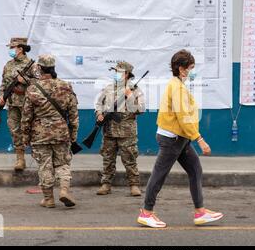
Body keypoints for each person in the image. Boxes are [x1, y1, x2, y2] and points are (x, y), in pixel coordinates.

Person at [137, 50, 224, 228]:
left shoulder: (178, 85)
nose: (192, 71)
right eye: (190, 68)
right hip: (172, 139)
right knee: (159, 174)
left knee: (195, 170)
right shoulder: (176, 87)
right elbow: (183, 116)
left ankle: (200, 212)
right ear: (181, 69)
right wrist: (199, 139)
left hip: (180, 138)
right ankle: (146, 213)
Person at [21, 54, 79, 208]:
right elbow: (73, 114)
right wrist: (73, 135)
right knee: (63, 163)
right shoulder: (65, 86)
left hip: (40, 134)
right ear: (53, 68)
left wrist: (25, 136)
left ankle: (49, 199)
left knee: (45, 165)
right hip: (61, 133)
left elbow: (26, 116)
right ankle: (64, 191)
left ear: (39, 68)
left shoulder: (33, 89)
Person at [95, 62, 146, 197]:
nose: (116, 74)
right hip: (109, 130)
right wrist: (99, 113)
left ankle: (134, 185)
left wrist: (129, 96)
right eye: (115, 71)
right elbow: (99, 103)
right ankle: (106, 184)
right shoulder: (108, 88)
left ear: (127, 74)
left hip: (127, 132)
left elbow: (140, 110)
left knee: (129, 159)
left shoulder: (136, 90)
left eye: (119, 72)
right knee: (108, 158)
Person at [0, 37, 38, 172]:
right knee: (15, 130)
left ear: (20, 49)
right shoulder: (8, 65)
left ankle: (40, 157)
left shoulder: (32, 65)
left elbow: (40, 84)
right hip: (12, 103)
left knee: (31, 130)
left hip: (27, 104)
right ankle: (20, 159)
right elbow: (4, 83)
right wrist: (1, 97)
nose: (11, 50)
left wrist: (25, 80)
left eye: (13, 48)